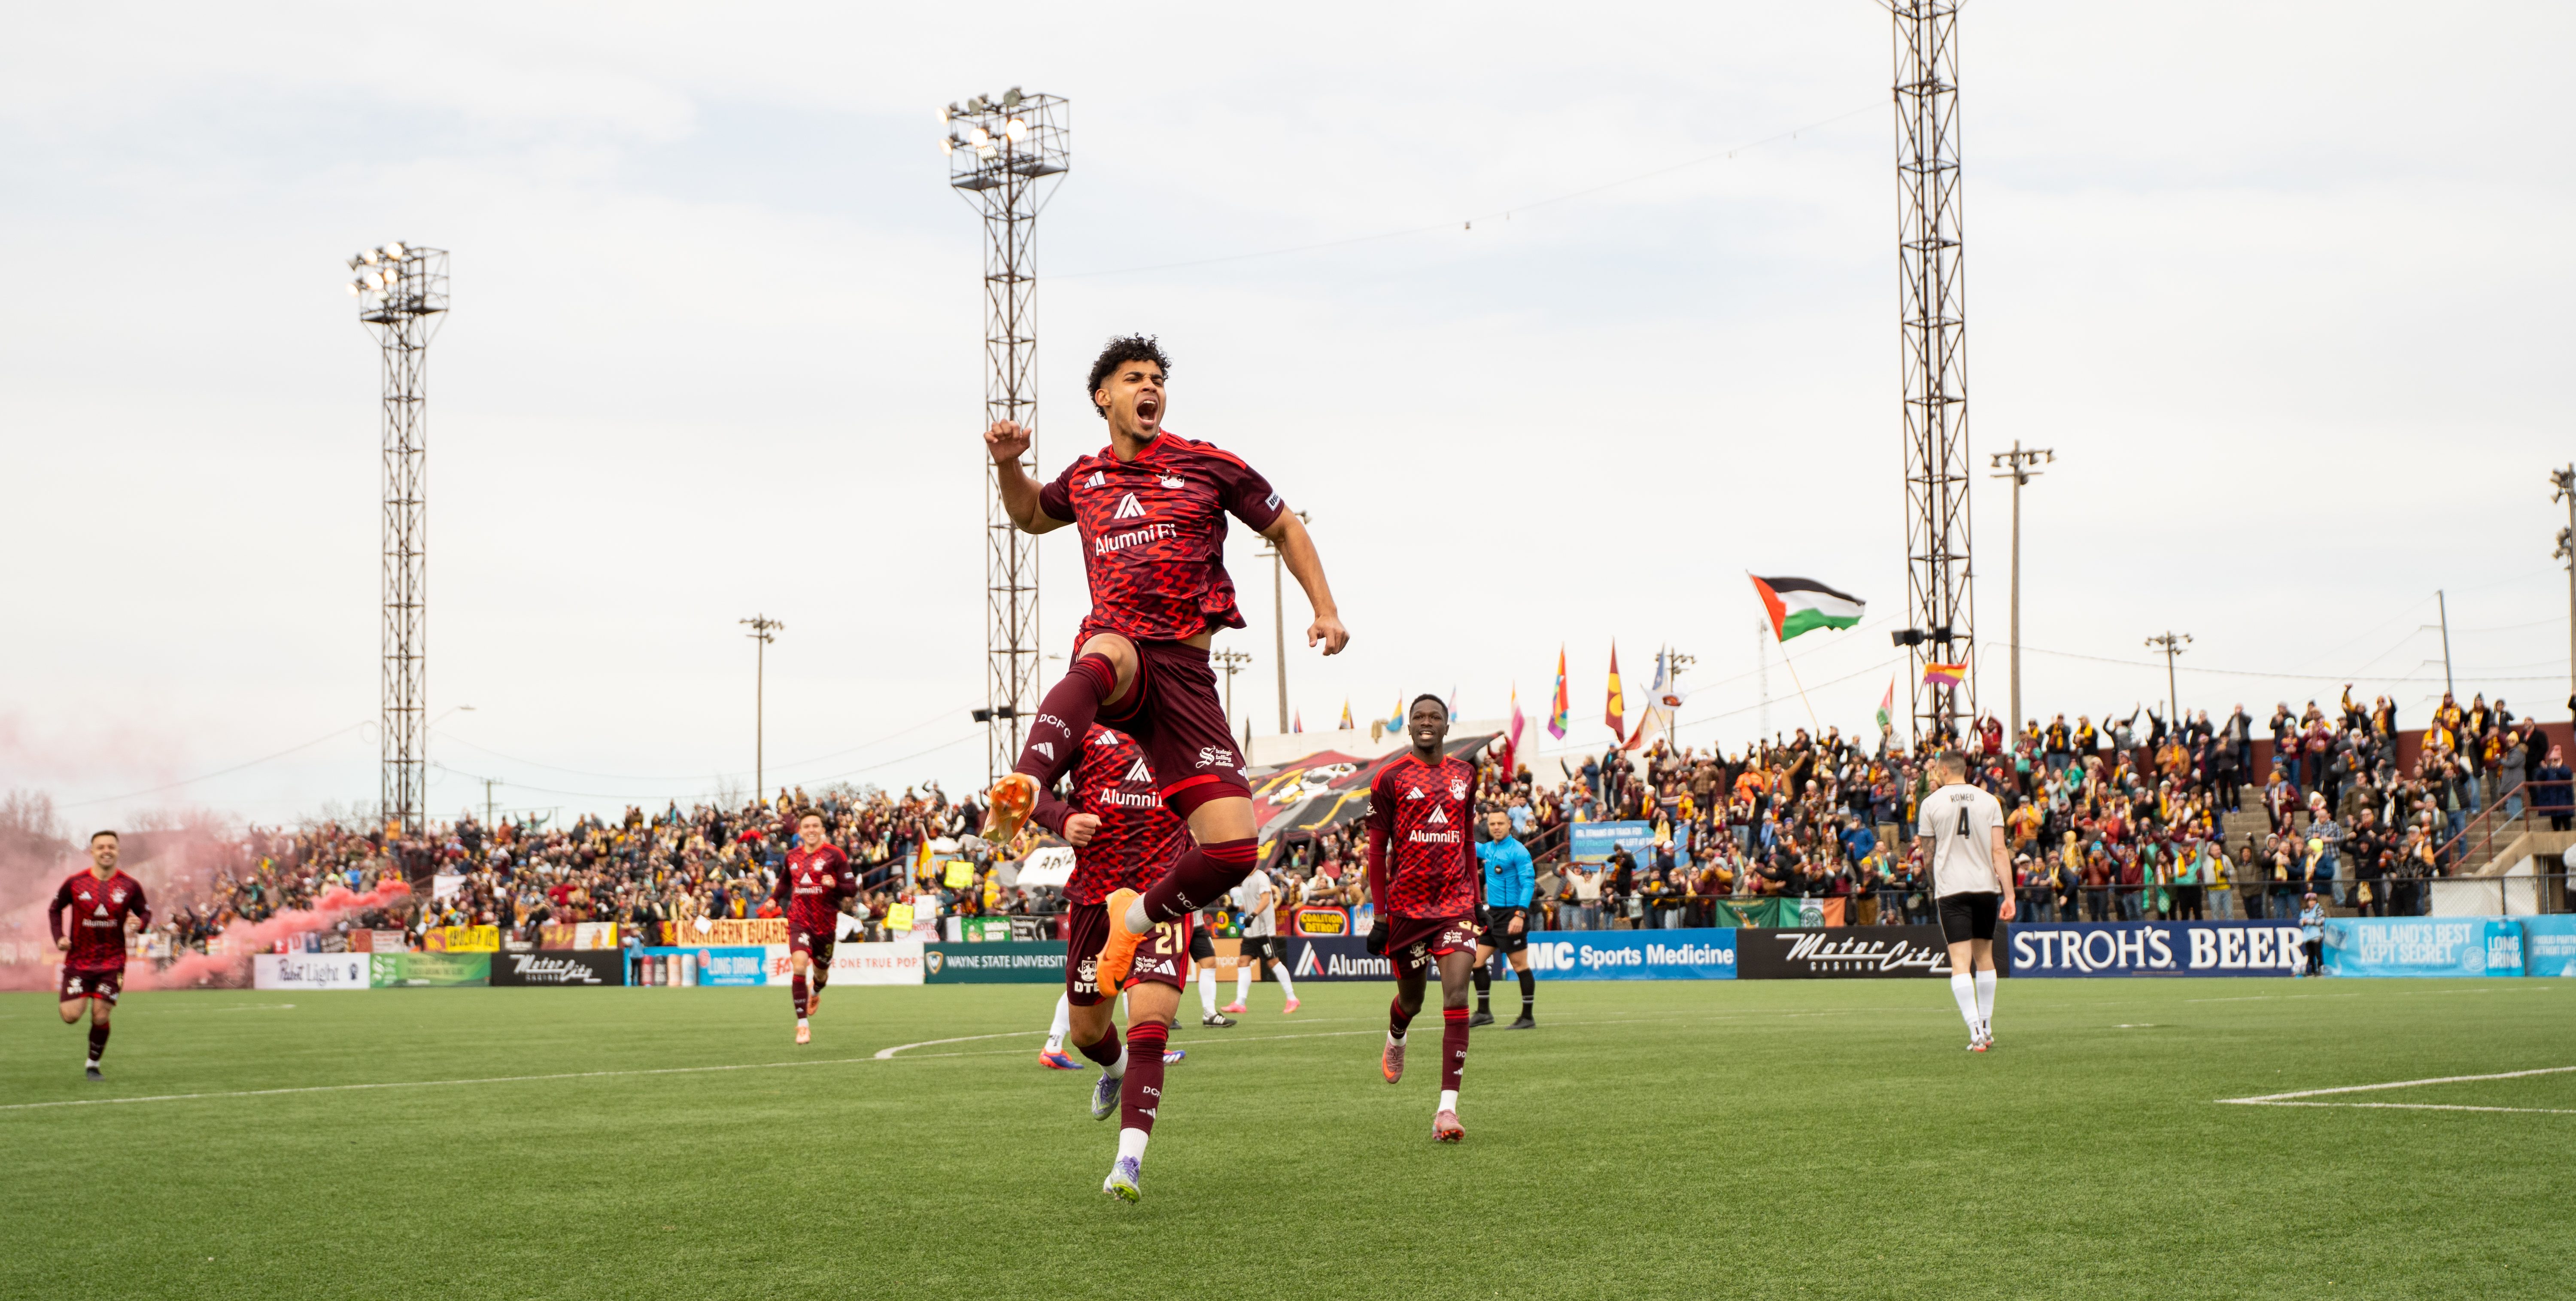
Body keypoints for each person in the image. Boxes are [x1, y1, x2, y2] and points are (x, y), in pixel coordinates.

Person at [975, 335, 1349, 1002]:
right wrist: (1008, 465)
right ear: (1105, 397)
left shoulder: (1206, 464)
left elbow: (1286, 527)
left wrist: (1325, 609)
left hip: (1188, 678)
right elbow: (1031, 514)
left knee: (1234, 853)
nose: (1150, 388)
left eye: (1157, 379)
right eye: (1134, 378)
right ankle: (1029, 779)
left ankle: (1136, 919)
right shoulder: (1085, 479)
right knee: (1108, 647)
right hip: (1124, 659)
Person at [1025, 723, 1203, 1201]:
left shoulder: (1180, 719)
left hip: (1162, 900)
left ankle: (1128, 1163)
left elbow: (1221, 790)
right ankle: (1117, 1070)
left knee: (1150, 1029)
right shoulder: (1081, 723)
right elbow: (1028, 783)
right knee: (1085, 1033)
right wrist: (1060, 818)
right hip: (1094, 902)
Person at [1364, 696, 1484, 1141]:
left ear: (1447, 725)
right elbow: (1377, 851)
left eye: (1435, 717)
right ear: (1410, 727)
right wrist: (1380, 915)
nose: (1427, 723)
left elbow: (1468, 840)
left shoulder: (1465, 774)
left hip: (1455, 904)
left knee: (1456, 994)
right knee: (1411, 1002)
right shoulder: (1389, 778)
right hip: (1408, 910)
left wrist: (1476, 899)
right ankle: (1397, 1034)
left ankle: (1446, 1111)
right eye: (1420, 717)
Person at [1915, 752, 2013, 1052]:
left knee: (1960, 962)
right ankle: (1987, 1024)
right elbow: (2000, 852)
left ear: (1944, 769)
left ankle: (1975, 1032)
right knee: (1985, 957)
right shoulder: (1989, 801)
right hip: (1985, 888)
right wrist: (2009, 895)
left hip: (1952, 889)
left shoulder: (1931, 803)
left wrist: (1936, 886)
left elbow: (1928, 856)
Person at [49, 830, 150, 1081]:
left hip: (112, 962)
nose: (107, 851)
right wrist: (60, 937)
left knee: (101, 1014)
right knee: (71, 1016)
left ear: (118, 851)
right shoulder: (76, 883)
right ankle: (91, 1054)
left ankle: (93, 1065)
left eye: (111, 847)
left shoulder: (130, 885)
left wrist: (141, 923)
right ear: (92, 851)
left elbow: (145, 912)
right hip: (78, 962)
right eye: (101, 847)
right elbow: (55, 909)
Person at [773, 810, 856, 1044]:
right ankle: (802, 1025)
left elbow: (851, 889)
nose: (811, 830)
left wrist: (836, 885)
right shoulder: (792, 856)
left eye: (815, 826)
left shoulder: (835, 855)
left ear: (822, 830)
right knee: (799, 967)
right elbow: (784, 882)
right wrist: (773, 899)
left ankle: (816, 992)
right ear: (800, 831)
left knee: (821, 974)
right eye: (807, 826)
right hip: (799, 920)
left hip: (826, 924)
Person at [1472, 808, 1537, 1030]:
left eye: (1501, 823)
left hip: (1513, 914)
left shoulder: (1518, 851)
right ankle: (1484, 1013)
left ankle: (1527, 1017)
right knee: (1476, 962)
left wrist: (1520, 914)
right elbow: (1465, 844)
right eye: (1493, 825)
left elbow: (1529, 883)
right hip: (1493, 915)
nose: (1497, 827)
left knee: (1520, 966)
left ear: (1509, 824)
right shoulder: (1488, 849)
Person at [1221, 866, 1299, 1016]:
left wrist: (1253, 915)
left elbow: (1265, 900)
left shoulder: (1261, 877)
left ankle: (1292, 998)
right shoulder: (1246, 879)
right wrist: (1237, 908)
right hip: (1251, 932)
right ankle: (1240, 1003)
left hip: (1264, 930)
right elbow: (1251, 903)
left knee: (1273, 963)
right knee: (1243, 962)